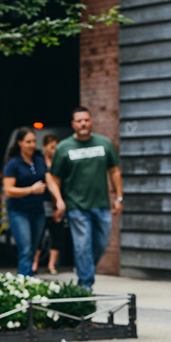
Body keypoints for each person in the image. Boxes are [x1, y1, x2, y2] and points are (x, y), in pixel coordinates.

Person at [48, 107, 123, 290]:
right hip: (76, 207)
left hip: (102, 205)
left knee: (102, 243)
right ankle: (85, 285)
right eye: (79, 121)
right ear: (73, 124)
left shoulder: (104, 143)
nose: (83, 123)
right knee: (82, 246)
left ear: (91, 121)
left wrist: (119, 197)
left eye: (86, 120)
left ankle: (84, 267)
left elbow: (114, 171)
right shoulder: (64, 147)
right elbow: (53, 178)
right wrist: (58, 200)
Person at [3, 128, 60, 277]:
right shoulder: (13, 164)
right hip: (19, 212)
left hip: (38, 212)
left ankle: (29, 279)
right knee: (25, 249)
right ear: (20, 143)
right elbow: (8, 190)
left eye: (34, 141)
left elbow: (50, 182)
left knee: (34, 249)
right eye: (28, 141)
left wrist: (59, 200)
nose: (32, 145)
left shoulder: (39, 161)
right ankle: (24, 281)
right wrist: (30, 190)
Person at [33, 133, 63, 275]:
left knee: (56, 231)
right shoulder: (39, 162)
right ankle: (35, 263)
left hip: (56, 201)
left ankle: (51, 265)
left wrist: (59, 204)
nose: (54, 151)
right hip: (42, 200)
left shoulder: (61, 161)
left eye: (56, 148)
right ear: (44, 147)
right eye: (51, 148)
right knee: (39, 233)